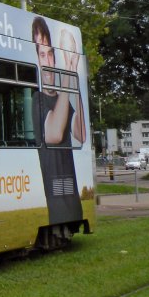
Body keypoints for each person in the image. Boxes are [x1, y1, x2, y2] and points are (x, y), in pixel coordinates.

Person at [32, 16, 85, 224]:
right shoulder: (37, 100)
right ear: (37, 60)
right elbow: (53, 134)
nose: (48, 61)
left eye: (51, 54)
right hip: (56, 209)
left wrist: (75, 77)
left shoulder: (62, 102)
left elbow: (81, 133)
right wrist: (69, 73)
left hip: (73, 204)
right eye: (42, 55)